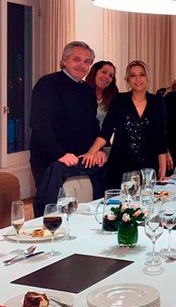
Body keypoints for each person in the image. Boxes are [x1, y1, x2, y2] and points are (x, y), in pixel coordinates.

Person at [29, 41, 107, 213]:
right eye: (76, 59)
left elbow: (93, 124)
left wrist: (98, 150)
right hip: (51, 160)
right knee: (52, 212)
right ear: (64, 60)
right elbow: (39, 123)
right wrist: (60, 154)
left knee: (85, 209)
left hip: (80, 162)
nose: (82, 65)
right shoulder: (48, 83)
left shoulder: (88, 90)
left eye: (87, 62)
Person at [85, 60, 168, 187]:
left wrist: (163, 167)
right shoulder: (119, 100)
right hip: (121, 165)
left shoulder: (158, 101)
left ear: (147, 77)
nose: (138, 79)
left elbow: (161, 138)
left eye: (142, 74)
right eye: (133, 75)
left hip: (149, 167)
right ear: (127, 80)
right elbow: (106, 131)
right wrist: (92, 151)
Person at [86, 61, 119, 126]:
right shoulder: (81, 93)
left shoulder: (114, 98)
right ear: (94, 73)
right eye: (104, 72)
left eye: (111, 76)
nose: (107, 77)